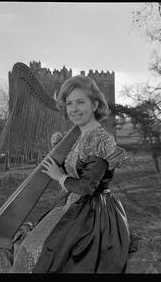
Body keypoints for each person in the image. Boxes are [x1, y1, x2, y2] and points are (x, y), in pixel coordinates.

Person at [10, 75, 130, 273]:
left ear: (94, 105)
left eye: (80, 102)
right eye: (69, 103)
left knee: (44, 251)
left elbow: (86, 187)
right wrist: (62, 168)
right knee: (30, 246)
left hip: (94, 213)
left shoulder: (99, 139)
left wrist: (59, 176)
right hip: (75, 204)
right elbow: (78, 171)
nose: (74, 109)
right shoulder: (77, 135)